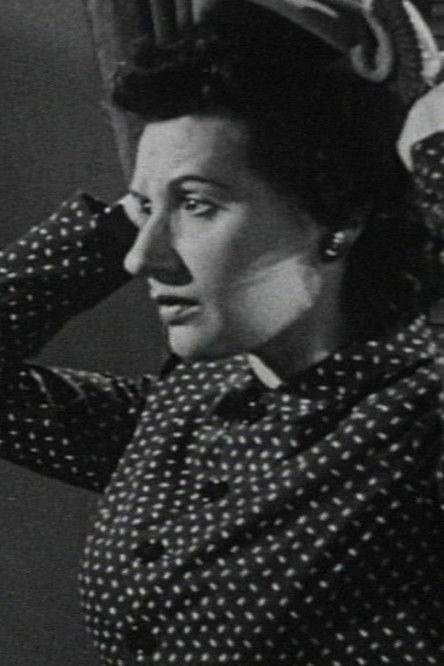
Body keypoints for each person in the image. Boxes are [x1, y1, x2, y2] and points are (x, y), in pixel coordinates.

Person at [1, 0, 444, 664]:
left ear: (339, 216)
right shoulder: (184, 405)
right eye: (146, 210)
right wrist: (122, 220)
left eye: (198, 204)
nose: (141, 259)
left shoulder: (421, 422)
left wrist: (432, 149)